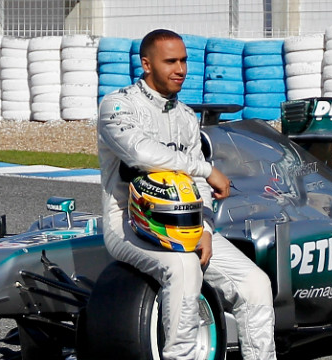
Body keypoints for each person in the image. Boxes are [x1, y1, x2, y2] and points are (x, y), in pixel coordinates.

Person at [98, 29, 276, 358]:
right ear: (146, 64)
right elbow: (140, 153)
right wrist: (206, 168)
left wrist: (206, 230)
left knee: (255, 284)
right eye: (170, 61)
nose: (180, 69)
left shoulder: (185, 116)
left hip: (188, 224)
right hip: (128, 224)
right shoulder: (117, 105)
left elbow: (198, 188)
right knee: (183, 268)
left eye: (184, 60)